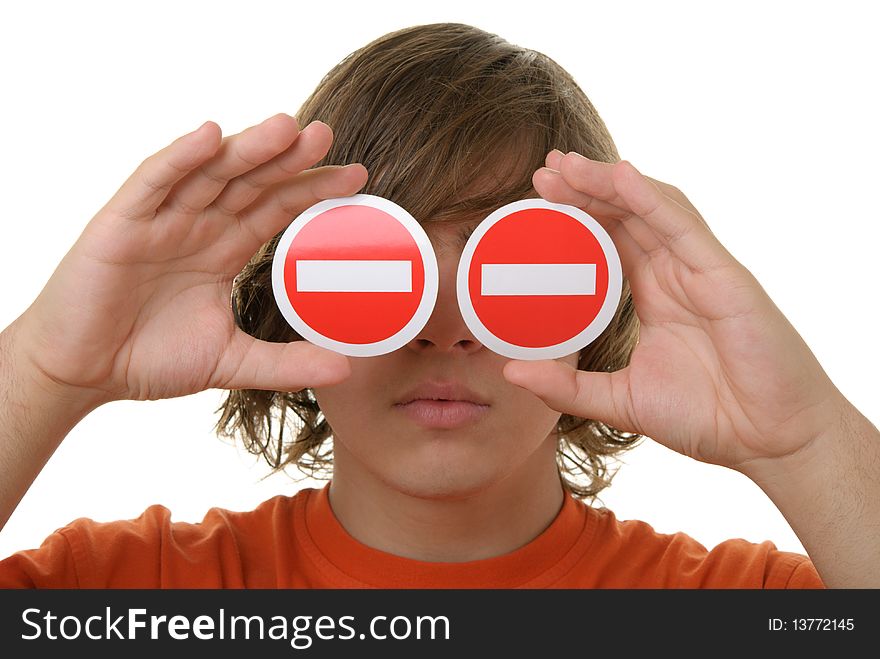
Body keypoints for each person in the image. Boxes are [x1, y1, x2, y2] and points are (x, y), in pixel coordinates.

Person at [0, 22, 876, 589]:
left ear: (605, 297)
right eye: (375, 266)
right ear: (289, 293)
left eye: (521, 266)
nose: (446, 323)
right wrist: (47, 368)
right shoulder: (124, 595)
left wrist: (801, 436)